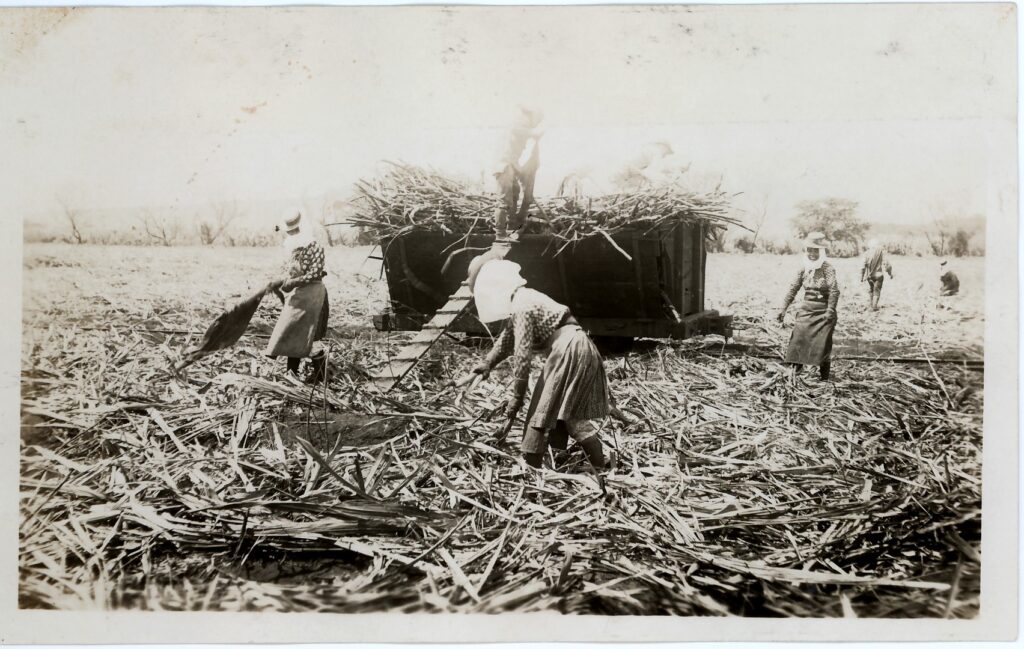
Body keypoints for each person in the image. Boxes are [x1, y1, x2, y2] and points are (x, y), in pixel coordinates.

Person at [468, 258, 615, 472]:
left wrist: (517, 398)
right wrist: (487, 362)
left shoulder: (522, 305)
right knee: (567, 414)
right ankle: (598, 466)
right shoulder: (524, 299)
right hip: (574, 346)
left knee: (542, 411)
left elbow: (522, 354)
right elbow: (508, 338)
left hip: (568, 349)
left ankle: (532, 469)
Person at [265, 212, 330, 381]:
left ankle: (320, 377)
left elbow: (315, 273)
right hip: (298, 296)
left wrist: (293, 282)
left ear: (304, 227)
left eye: (296, 230)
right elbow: (288, 272)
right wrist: (278, 282)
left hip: (314, 296)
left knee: (312, 336)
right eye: (290, 231)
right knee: (293, 333)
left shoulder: (315, 246)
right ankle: (291, 375)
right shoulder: (292, 249)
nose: (293, 234)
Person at [776, 232, 840, 382]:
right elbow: (793, 288)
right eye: (809, 250)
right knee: (797, 341)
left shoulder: (827, 269)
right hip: (806, 311)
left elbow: (834, 290)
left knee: (822, 345)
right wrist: (783, 309)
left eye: (815, 250)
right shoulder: (803, 268)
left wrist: (830, 310)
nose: (812, 253)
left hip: (824, 312)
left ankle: (824, 380)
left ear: (821, 251)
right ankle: (794, 377)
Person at [860, 238, 894, 311]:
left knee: (872, 289)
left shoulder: (866, 253)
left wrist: (862, 277)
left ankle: (871, 305)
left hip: (869, 276)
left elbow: (862, 266)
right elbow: (887, 265)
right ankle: (874, 307)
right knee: (877, 290)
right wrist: (890, 274)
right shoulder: (881, 253)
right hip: (879, 275)